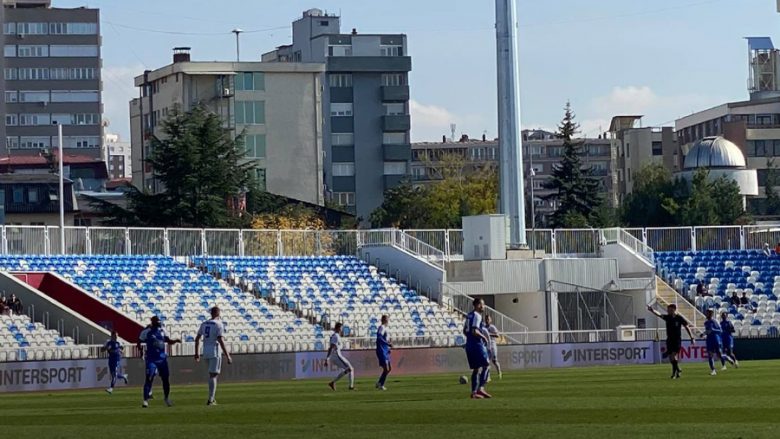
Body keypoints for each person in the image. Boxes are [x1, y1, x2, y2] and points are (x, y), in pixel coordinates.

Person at [137, 316, 181, 408]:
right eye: (157, 321)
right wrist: (141, 351)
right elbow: (139, 341)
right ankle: (145, 400)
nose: (159, 323)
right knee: (149, 378)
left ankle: (166, 398)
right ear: (153, 322)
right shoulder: (146, 332)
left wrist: (176, 340)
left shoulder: (162, 330)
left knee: (165, 379)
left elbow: (168, 341)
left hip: (162, 359)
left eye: (159, 321)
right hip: (151, 359)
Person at [194, 306, 232, 406]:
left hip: (205, 350)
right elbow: (220, 340)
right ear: (218, 313)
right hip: (214, 350)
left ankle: (211, 398)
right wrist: (228, 355)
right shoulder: (219, 324)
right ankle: (211, 399)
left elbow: (197, 338)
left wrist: (197, 353)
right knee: (213, 375)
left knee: (211, 375)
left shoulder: (204, 323)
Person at [647, 303, 695, 379]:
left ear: (674, 309)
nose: (668, 311)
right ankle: (678, 370)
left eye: (669, 310)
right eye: (668, 310)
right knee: (671, 357)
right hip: (669, 339)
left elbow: (686, 327)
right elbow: (659, 314)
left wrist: (692, 337)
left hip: (677, 340)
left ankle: (674, 373)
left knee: (673, 355)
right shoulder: (668, 317)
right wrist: (652, 310)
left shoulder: (679, 318)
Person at [464, 297, 491, 399]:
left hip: (469, 345)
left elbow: (465, 331)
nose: (483, 306)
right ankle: (481, 388)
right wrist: (484, 337)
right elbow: (474, 331)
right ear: (477, 305)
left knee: (476, 369)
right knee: (486, 365)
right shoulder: (477, 315)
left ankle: (474, 393)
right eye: (482, 304)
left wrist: (470, 339)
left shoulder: (469, 315)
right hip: (477, 344)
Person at [704, 309, 736, 375]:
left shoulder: (715, 321)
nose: (706, 314)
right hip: (709, 340)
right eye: (706, 313)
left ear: (711, 314)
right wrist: (703, 333)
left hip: (716, 340)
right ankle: (713, 370)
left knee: (719, 355)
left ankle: (727, 358)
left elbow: (720, 331)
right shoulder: (706, 322)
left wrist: (713, 330)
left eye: (707, 313)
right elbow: (708, 331)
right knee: (710, 355)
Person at [325, 322, 354, 391]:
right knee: (350, 369)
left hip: (337, 355)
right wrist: (327, 359)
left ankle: (333, 382)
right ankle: (350, 387)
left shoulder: (337, 336)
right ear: (338, 328)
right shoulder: (335, 336)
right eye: (341, 328)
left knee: (348, 369)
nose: (342, 330)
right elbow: (331, 347)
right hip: (337, 356)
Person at [102, 330, 128, 394]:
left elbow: (122, 349)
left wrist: (120, 351)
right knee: (113, 374)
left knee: (114, 374)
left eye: (117, 336)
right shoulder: (108, 342)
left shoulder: (119, 342)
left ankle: (111, 388)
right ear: (112, 335)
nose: (116, 337)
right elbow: (102, 350)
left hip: (117, 359)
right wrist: (106, 348)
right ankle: (123, 376)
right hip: (111, 359)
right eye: (115, 336)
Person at [375, 315, 393, 390]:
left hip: (385, 350)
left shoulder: (386, 328)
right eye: (386, 319)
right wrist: (387, 344)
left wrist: (388, 347)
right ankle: (381, 384)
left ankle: (379, 382)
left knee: (389, 369)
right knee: (386, 369)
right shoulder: (382, 327)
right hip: (381, 350)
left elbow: (385, 339)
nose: (387, 321)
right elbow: (379, 337)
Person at [483, 315, 502, 380]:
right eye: (486, 319)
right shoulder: (483, 327)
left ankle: (499, 372)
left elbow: (497, 335)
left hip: (493, 345)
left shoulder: (492, 327)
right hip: (486, 345)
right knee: (486, 362)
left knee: (494, 361)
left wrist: (489, 334)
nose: (487, 320)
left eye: (488, 319)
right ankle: (488, 376)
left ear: (490, 320)